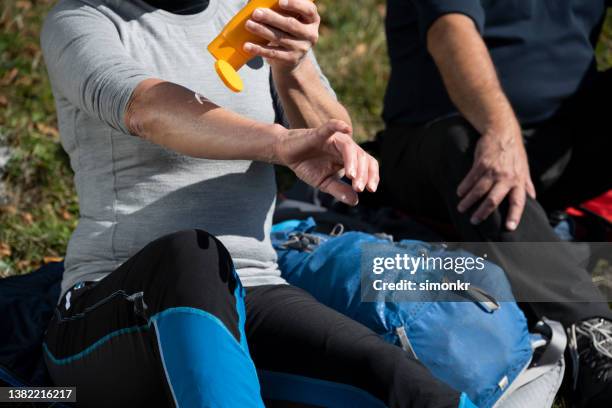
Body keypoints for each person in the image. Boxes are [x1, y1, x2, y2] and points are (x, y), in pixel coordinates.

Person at [40, 0, 471, 407]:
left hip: (253, 290)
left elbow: (328, 136)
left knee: (401, 382)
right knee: (192, 252)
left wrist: (294, 66)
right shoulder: (83, 19)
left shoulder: (251, 12)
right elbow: (145, 109)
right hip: (112, 309)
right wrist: (279, 143)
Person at [379, 1, 612, 406]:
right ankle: (590, 336)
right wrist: (498, 127)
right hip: (439, 142)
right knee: (467, 144)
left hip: (556, 142)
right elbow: (449, 30)